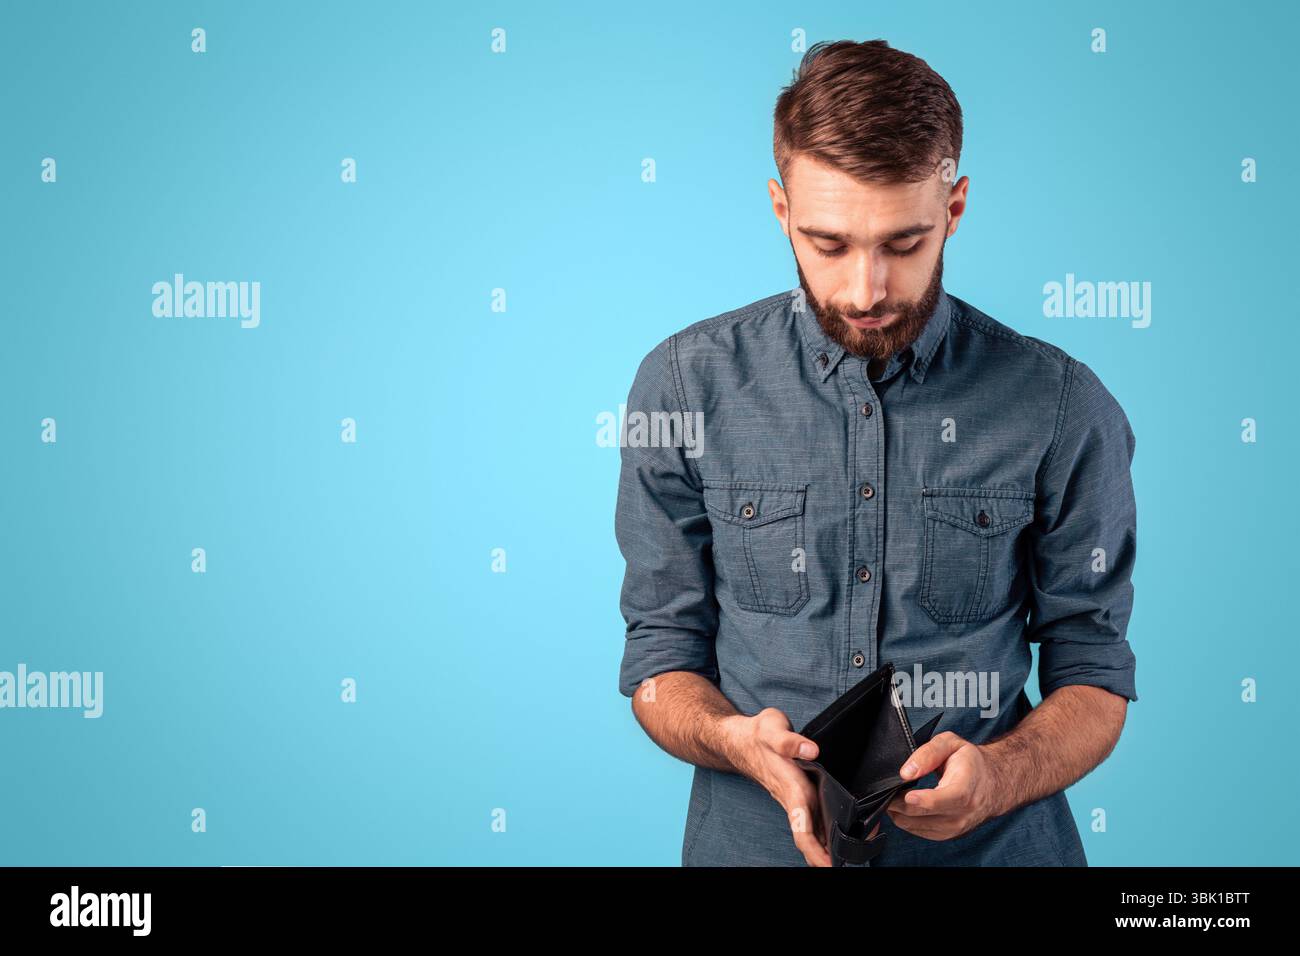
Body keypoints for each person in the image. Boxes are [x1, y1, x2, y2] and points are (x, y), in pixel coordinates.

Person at [614, 38, 1137, 866]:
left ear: (954, 209)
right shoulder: (683, 387)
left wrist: (997, 777)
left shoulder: (1062, 406)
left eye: (903, 243)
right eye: (829, 245)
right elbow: (659, 657)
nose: (866, 291)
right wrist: (730, 737)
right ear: (782, 211)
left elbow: (1095, 673)